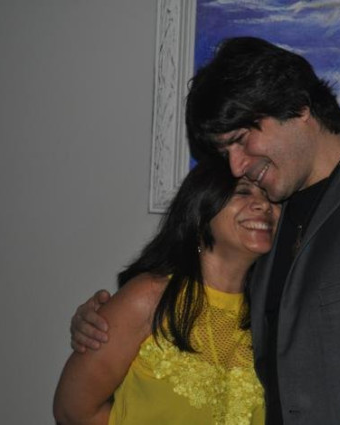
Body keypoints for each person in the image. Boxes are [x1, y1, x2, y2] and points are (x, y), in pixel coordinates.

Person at [69, 37, 340, 424]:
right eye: (225, 152)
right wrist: (103, 323)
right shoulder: (267, 224)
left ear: (298, 108)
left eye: (242, 139)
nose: (236, 166)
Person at [54, 158, 280, 425]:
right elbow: (73, 409)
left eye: (270, 197)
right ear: (200, 210)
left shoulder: (276, 311)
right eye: (243, 192)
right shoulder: (150, 297)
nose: (264, 205)